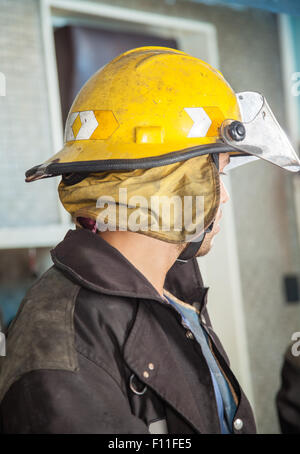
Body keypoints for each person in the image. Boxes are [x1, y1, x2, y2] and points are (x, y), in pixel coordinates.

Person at [0, 47, 299, 434]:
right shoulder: (59, 341)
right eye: (218, 176)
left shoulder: (172, 293)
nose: (223, 197)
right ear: (166, 186)